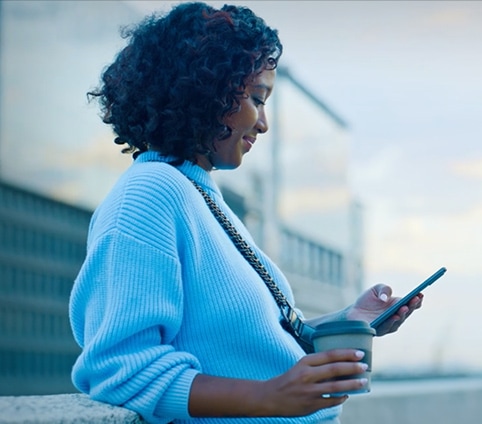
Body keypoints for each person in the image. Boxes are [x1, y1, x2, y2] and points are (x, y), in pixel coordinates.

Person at [68, 3, 423, 424]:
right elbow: (122, 370)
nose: (263, 124)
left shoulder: (200, 195)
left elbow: (243, 347)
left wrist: (343, 323)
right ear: (205, 92)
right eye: (257, 98)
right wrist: (271, 397)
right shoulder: (148, 195)